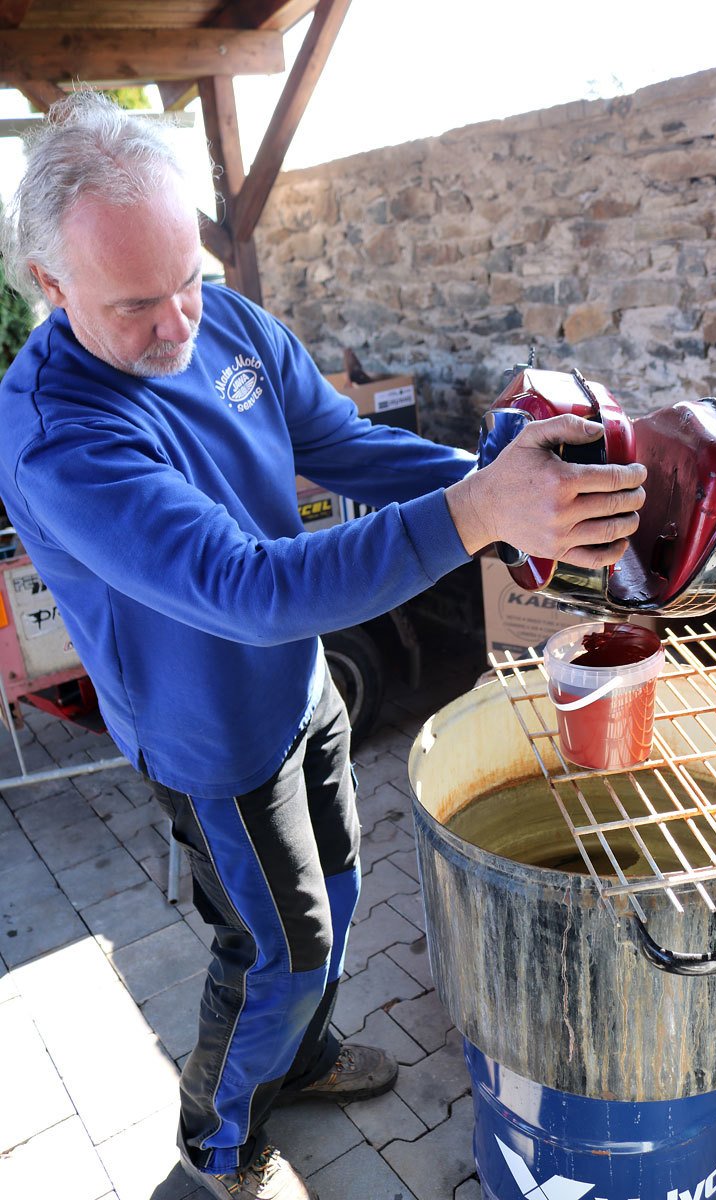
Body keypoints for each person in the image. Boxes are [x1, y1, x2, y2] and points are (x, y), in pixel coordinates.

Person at [0, 92, 646, 1200]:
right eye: (136, 305)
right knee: (274, 952)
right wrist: (480, 516)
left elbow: (343, 446)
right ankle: (216, 1134)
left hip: (302, 693)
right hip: (211, 740)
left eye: (189, 281)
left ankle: (298, 1053)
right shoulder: (62, 434)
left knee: (338, 896)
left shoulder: (229, 322)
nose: (179, 326)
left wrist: (502, 487)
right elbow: (244, 588)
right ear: (52, 289)